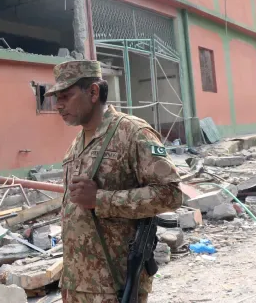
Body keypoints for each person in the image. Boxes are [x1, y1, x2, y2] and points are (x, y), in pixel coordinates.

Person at [46, 60, 182, 303]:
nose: (59, 105)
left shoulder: (132, 133)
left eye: (66, 96)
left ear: (93, 92)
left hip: (115, 283)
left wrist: (100, 199)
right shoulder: (76, 144)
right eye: (57, 98)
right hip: (77, 283)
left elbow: (171, 193)